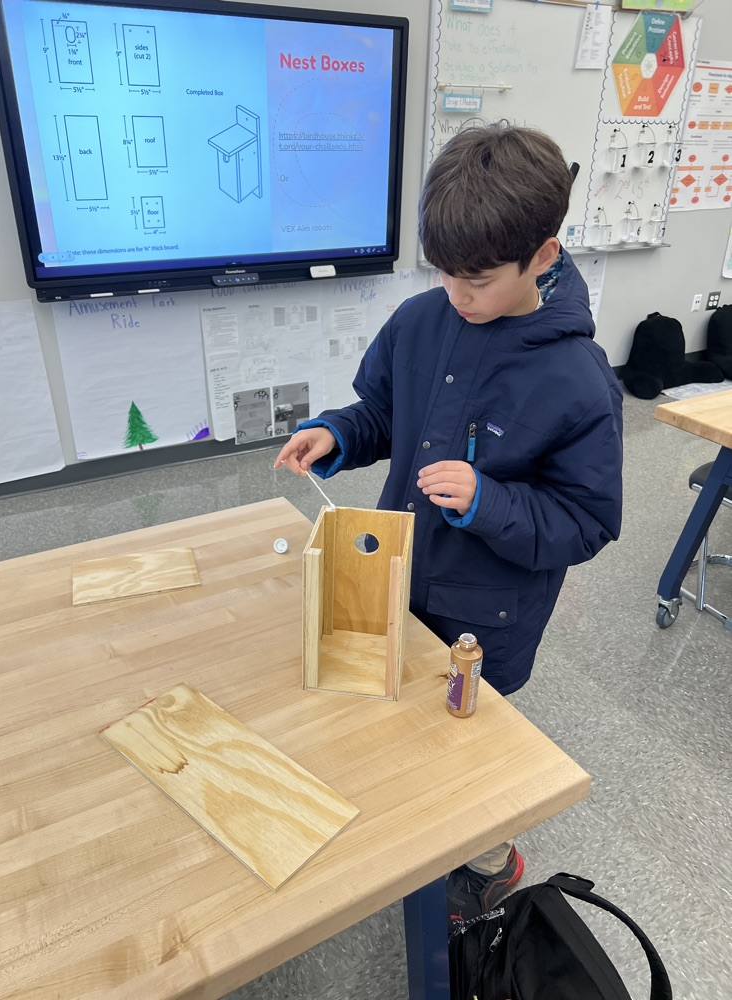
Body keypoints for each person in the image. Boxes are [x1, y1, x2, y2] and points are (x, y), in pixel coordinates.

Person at [274, 122, 623, 930]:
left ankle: (493, 863)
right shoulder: (422, 321)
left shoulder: (578, 380)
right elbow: (383, 413)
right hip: (405, 582)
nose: (458, 295)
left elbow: (587, 520)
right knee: (402, 733)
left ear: (543, 254)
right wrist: (338, 433)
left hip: (486, 618)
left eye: (479, 280)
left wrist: (488, 501)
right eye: (445, 273)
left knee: (469, 754)